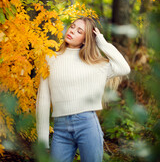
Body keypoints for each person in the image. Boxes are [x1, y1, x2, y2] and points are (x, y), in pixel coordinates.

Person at [36, 17, 130, 162]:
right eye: (72, 27)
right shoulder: (50, 58)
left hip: (87, 125)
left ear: (85, 40)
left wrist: (101, 42)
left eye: (79, 31)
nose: (72, 31)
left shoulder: (95, 65)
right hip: (60, 129)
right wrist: (42, 138)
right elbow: (43, 99)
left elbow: (124, 68)